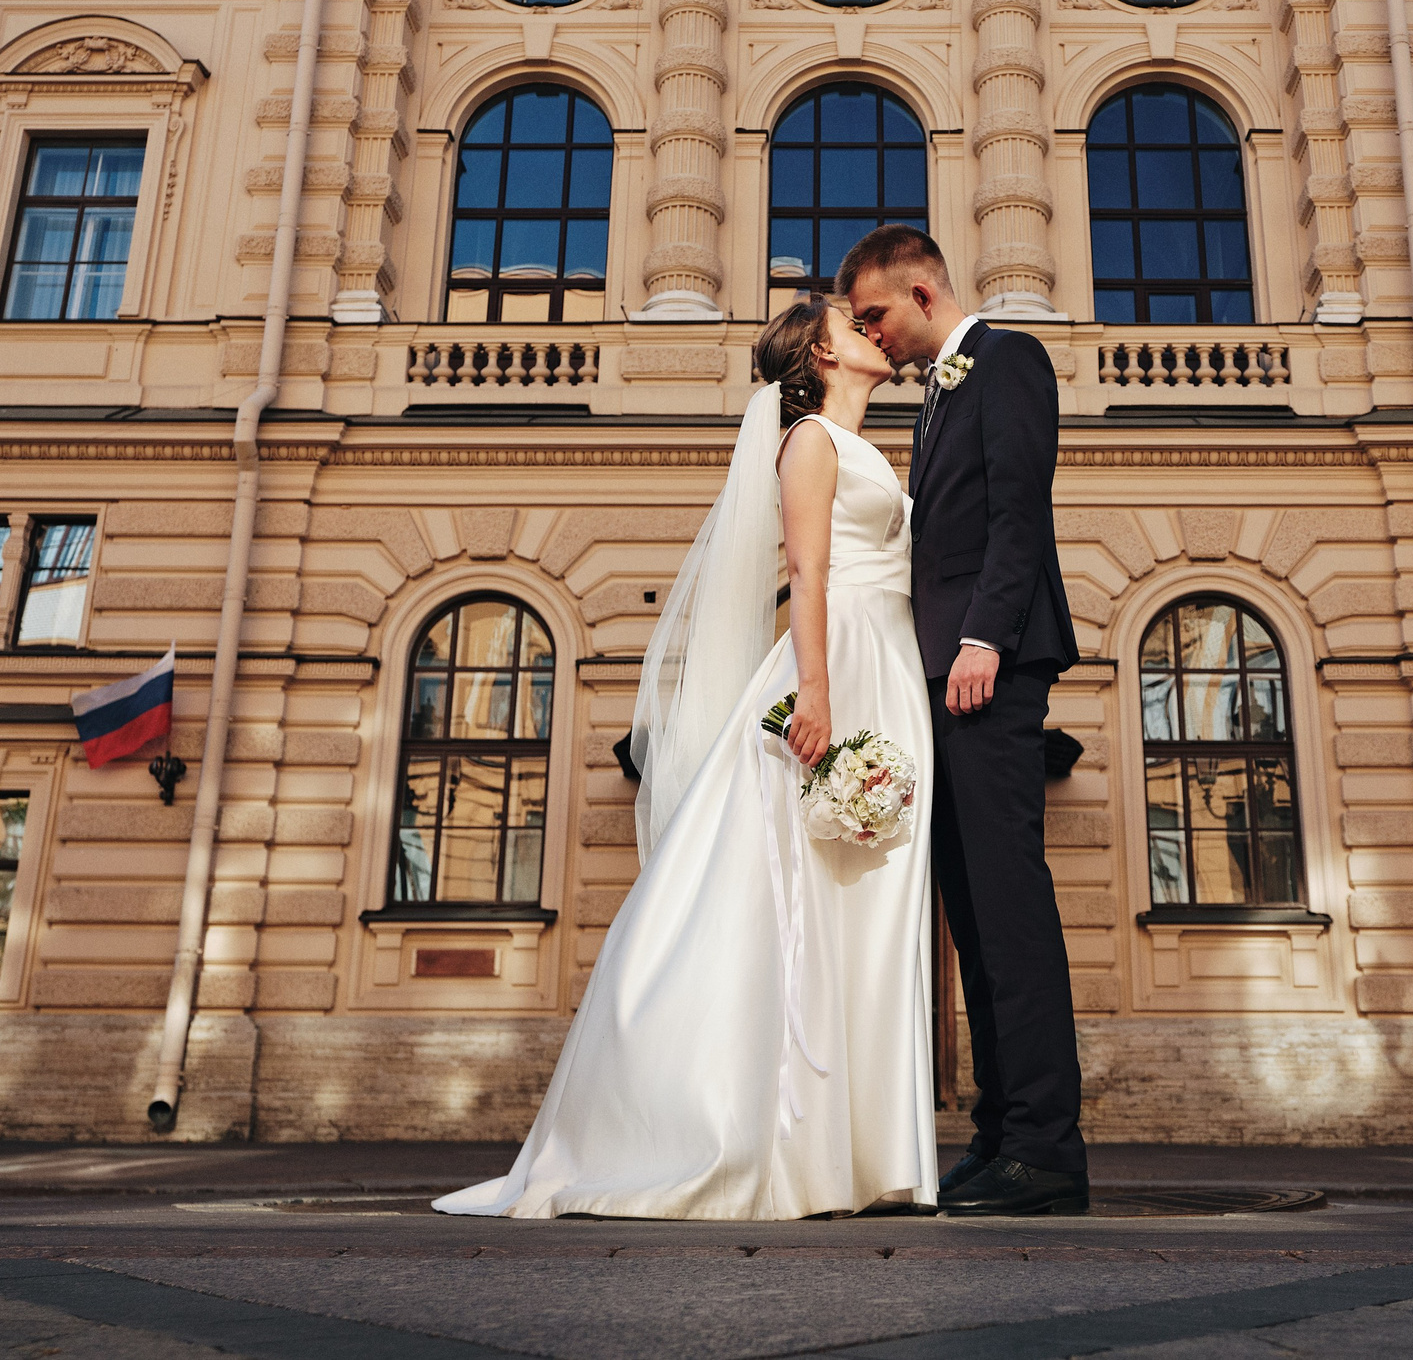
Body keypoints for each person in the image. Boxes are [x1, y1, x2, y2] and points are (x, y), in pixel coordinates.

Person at [435, 301, 938, 1220]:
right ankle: (774, 1143)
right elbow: (808, 573)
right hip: (842, 659)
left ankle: (860, 1156)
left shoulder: (860, 444)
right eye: (851, 322)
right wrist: (816, 691)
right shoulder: (810, 442)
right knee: (800, 902)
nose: (873, 328)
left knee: (864, 905)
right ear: (821, 351)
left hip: (886, 658)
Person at [839, 225, 1088, 1219]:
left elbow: (1019, 510)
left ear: (922, 291)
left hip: (991, 668)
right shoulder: (940, 393)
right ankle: (1000, 1133)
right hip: (943, 679)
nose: (871, 334)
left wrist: (984, 637)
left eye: (874, 315)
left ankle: (1047, 1148)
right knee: (975, 917)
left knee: (1009, 907)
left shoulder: (1006, 360)